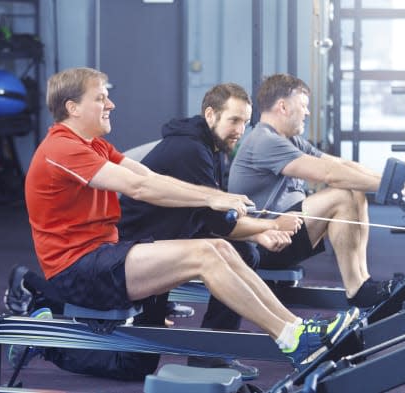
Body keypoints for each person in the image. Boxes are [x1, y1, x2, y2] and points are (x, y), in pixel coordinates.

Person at [12, 67, 359, 380]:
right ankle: (292, 338)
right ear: (72, 107)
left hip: (108, 255)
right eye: (101, 98)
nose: (111, 105)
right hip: (78, 269)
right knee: (208, 255)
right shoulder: (61, 149)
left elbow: (147, 174)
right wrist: (211, 197)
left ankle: (297, 329)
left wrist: (208, 196)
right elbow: (140, 188)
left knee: (220, 248)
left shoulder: (96, 146)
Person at [118, 82, 302, 378]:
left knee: (244, 252)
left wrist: (256, 233)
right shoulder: (190, 149)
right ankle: (44, 315)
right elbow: (217, 222)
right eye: (234, 120)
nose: (240, 129)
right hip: (138, 247)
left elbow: (211, 218)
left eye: (245, 121)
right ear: (210, 114)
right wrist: (270, 225)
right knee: (135, 367)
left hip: (172, 234)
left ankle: (213, 354)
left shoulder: (210, 145)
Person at [228, 73, 405, 318]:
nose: (307, 113)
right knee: (341, 194)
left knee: (352, 188)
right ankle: (358, 290)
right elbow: (330, 174)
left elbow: (341, 164)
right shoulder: (264, 141)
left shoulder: (290, 141)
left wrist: (394, 182)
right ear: (283, 106)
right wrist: (389, 186)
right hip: (264, 243)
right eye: (304, 106)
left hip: (286, 231)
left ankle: (363, 281)